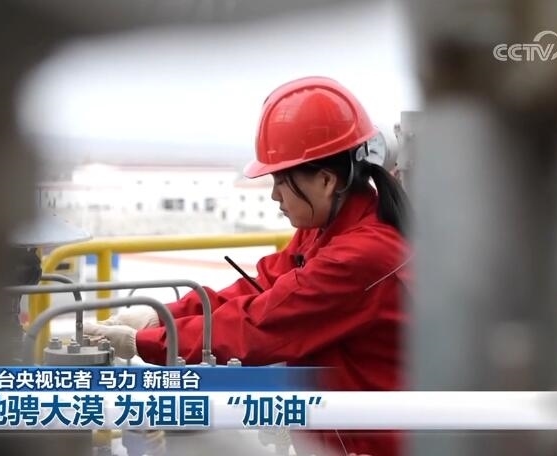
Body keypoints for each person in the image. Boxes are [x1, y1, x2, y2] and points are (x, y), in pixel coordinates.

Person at [84, 76, 412, 456]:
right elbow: (261, 288)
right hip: (347, 435)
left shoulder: (361, 255)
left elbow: (257, 326)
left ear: (325, 180)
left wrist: (144, 342)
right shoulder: (327, 228)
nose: (273, 195)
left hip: (378, 444)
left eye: (281, 181)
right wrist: (161, 317)